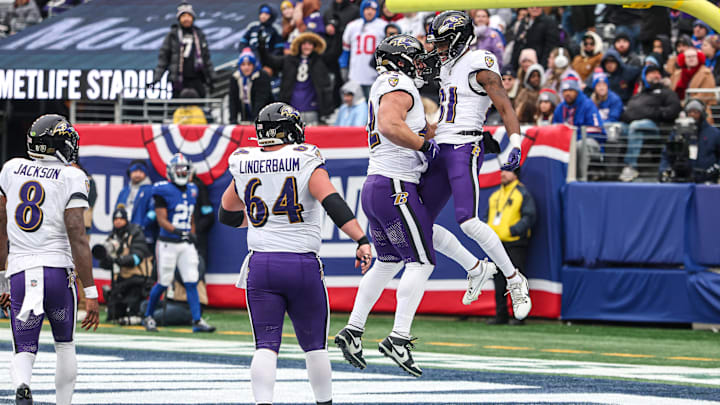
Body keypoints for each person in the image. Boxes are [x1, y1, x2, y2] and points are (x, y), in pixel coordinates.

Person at [334, 35, 497, 378]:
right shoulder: (398, 84)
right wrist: (424, 145)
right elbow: (391, 125)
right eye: (416, 58)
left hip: (377, 187)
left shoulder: (387, 84)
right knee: (420, 261)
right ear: (403, 61)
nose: (423, 63)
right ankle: (399, 338)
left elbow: (407, 126)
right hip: (396, 187)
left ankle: (353, 329)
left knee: (390, 260)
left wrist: (451, 133)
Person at [221, 102, 372, 405]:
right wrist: (360, 238)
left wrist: (263, 222)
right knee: (315, 346)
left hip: (261, 265)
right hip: (300, 264)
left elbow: (227, 214)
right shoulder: (303, 159)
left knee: (265, 346)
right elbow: (332, 201)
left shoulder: (244, 160)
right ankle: (324, 403)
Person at [425, 11, 532, 320]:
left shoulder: (479, 61)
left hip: (464, 145)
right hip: (440, 146)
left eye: (444, 42)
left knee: (467, 220)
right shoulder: (445, 67)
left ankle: (514, 279)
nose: (439, 48)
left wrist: (516, 141)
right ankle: (475, 268)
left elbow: (503, 103)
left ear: (459, 40)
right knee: (418, 222)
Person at [0, 114, 100, 404]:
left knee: (24, 348)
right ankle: (63, 402)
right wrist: (91, 291)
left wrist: (1, 280)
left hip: (20, 271)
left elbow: (1, 226)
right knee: (65, 346)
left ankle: (22, 384)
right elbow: (77, 234)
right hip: (58, 274)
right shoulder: (72, 175)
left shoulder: (11, 169)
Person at [142, 153, 215, 333]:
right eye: (179, 169)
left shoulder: (193, 189)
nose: (182, 172)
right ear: (171, 171)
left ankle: (197, 321)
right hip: (167, 243)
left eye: (184, 169)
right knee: (164, 281)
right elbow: (162, 220)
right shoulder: (162, 189)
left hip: (185, 243)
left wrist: (192, 233)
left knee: (191, 280)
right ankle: (148, 316)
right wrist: (181, 232)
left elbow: (190, 216)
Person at [483, 166, 536, 325]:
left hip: (515, 244)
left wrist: (513, 231)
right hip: (496, 244)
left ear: (515, 174)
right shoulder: (495, 195)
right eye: (502, 171)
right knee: (498, 281)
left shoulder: (522, 193)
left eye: (507, 171)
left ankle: (520, 316)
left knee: (517, 280)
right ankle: (501, 315)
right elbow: (487, 217)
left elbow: (529, 216)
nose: (503, 174)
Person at [618, 65, 682, 182]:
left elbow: (674, 109)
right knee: (616, 128)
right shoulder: (639, 95)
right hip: (635, 125)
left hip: (657, 128)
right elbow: (627, 113)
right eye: (651, 73)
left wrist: (653, 113)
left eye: (657, 73)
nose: (655, 75)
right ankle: (609, 167)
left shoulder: (666, 92)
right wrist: (640, 114)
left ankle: (631, 166)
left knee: (636, 126)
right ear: (645, 77)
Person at [259, 31, 333, 125]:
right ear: (299, 45)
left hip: (312, 108)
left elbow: (334, 53)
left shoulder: (320, 61)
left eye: (310, 44)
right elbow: (270, 61)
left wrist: (336, 33)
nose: (307, 46)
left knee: (311, 137)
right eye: (304, 44)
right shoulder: (289, 60)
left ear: (314, 46)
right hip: (291, 109)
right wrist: (262, 47)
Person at [95, 207, 152, 323]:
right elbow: (103, 265)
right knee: (113, 316)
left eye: (121, 219)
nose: (118, 221)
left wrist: (119, 260)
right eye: (115, 219)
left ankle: (136, 314)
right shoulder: (112, 237)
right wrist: (106, 258)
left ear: (126, 220)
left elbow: (137, 258)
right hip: (120, 281)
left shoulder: (135, 233)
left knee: (131, 310)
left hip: (137, 279)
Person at [152, 2, 214, 98]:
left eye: (189, 15)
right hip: (179, 79)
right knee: (178, 108)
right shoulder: (172, 35)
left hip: (197, 78)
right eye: (183, 16)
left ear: (193, 18)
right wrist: (157, 78)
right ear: (179, 18)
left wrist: (212, 76)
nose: (186, 19)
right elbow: (163, 59)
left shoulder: (199, 35)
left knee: (199, 108)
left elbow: (206, 58)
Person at [659, 99, 720, 183]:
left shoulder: (714, 133)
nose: (692, 115)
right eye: (690, 112)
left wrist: (716, 168)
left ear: (702, 114)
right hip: (682, 179)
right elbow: (667, 154)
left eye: (696, 112)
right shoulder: (678, 132)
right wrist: (664, 170)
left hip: (706, 179)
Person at [341, 0, 387, 97]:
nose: (369, 12)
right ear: (362, 10)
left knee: (373, 107)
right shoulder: (352, 26)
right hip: (355, 75)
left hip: (375, 76)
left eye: (373, 9)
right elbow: (346, 50)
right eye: (367, 9)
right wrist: (344, 66)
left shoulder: (383, 26)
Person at [115, 159, 155, 245]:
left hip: (143, 236)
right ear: (130, 172)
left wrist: (142, 226)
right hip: (123, 234)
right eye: (135, 171)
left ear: (145, 173)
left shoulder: (151, 190)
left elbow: (153, 212)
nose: (137, 174)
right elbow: (117, 210)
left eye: (141, 171)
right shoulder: (124, 191)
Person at [229, 49, 273, 124]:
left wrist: (255, 120)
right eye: (243, 64)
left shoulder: (262, 76)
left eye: (249, 64)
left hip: (265, 117)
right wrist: (233, 120)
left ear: (254, 65)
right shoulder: (235, 77)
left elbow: (261, 100)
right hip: (245, 116)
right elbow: (233, 100)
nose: (246, 67)